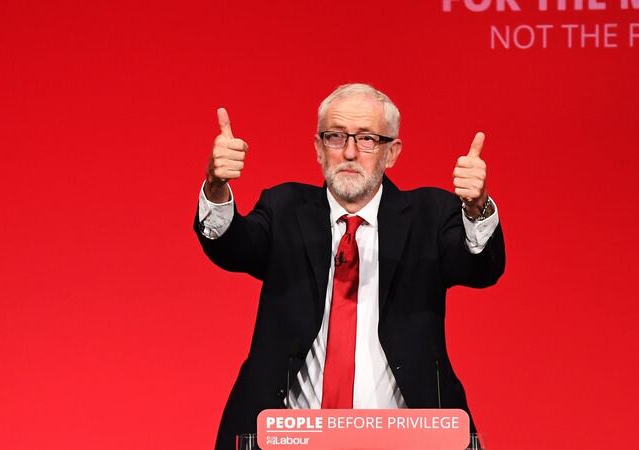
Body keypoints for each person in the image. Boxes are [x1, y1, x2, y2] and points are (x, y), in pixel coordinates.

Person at [195, 83, 505, 449]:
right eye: (335, 137)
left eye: (368, 139)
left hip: (406, 439)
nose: (350, 152)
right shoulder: (285, 208)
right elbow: (231, 246)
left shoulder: (429, 215)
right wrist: (216, 188)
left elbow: (481, 268)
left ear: (392, 152)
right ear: (317, 148)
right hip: (289, 438)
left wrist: (477, 208)